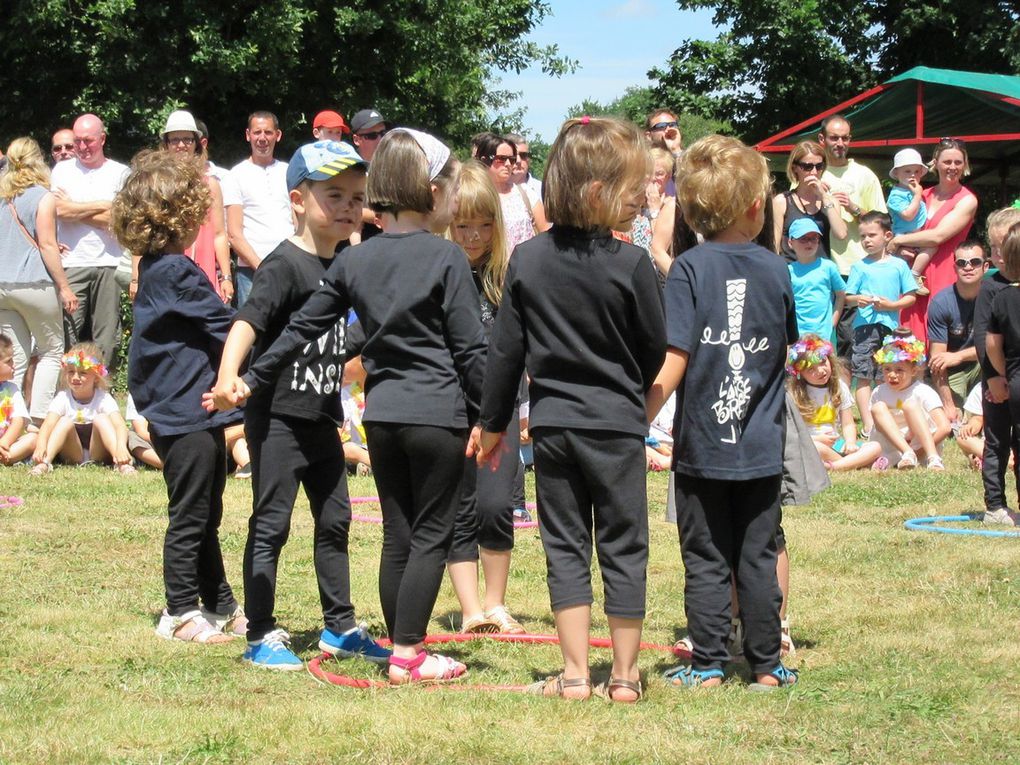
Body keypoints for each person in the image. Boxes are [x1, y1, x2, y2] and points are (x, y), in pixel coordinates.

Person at [221, 128, 483, 685]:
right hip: (438, 414)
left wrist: (250, 378)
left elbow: (297, 330)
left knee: (397, 533)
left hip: (381, 418)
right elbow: (470, 349)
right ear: (431, 192)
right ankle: (409, 654)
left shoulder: (352, 263)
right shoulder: (446, 258)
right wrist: (494, 415)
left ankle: (394, 643)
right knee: (433, 534)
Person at [476, 116, 665, 703]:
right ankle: (627, 677)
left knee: (565, 546)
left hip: (553, 427)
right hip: (616, 424)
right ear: (596, 190)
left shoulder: (527, 261)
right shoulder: (632, 263)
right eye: (632, 186)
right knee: (624, 541)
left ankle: (577, 674)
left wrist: (491, 425)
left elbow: (504, 353)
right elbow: (654, 346)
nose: (639, 197)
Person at [208, 140, 389, 670]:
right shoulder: (282, 265)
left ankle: (341, 627)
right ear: (297, 199)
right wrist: (228, 377)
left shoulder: (350, 265)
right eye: (333, 194)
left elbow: (346, 337)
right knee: (273, 523)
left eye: (357, 196)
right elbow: (248, 322)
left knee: (335, 521)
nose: (348, 206)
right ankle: (260, 635)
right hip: (278, 417)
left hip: (323, 417)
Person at [645, 134, 799, 692]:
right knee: (757, 555)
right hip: (760, 450)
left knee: (707, 558)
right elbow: (784, 348)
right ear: (758, 207)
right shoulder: (776, 270)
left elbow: (676, 355)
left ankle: (708, 664)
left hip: (703, 450)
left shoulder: (687, 268)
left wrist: (641, 413)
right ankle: (766, 667)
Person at [115, 150, 246, 644]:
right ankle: (180, 611)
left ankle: (220, 604)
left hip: (196, 409)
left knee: (207, 513)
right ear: (179, 215)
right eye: (198, 213)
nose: (202, 221)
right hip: (184, 412)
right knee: (191, 514)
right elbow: (227, 324)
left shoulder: (157, 267)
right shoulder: (173, 270)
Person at [445, 161, 524, 636]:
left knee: (495, 504)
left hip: (502, 407)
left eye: (482, 224)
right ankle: (470, 608)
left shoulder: (508, 277)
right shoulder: (439, 270)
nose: (472, 236)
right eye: (462, 225)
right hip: (451, 405)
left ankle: (496, 603)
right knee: (460, 505)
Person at [0, 137, 79, 423]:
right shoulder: (43, 196)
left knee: (15, 357)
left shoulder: (2, 195)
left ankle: (9, 420)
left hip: (2, 286)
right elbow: (46, 244)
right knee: (51, 349)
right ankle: (39, 419)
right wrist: (65, 287)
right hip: (34, 284)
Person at [51, 114, 129, 367]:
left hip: (110, 262)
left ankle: (100, 390)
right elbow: (58, 211)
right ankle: (70, 391)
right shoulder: (62, 170)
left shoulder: (120, 172)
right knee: (68, 331)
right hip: (72, 261)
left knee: (106, 336)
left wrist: (74, 208)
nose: (82, 147)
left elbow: (119, 220)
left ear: (102, 139)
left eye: (88, 140)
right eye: (77, 141)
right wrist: (100, 205)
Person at [892, 138, 978, 343]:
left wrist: (898, 241)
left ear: (965, 165)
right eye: (947, 162)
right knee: (909, 343)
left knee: (939, 341)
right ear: (935, 163)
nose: (953, 167)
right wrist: (898, 246)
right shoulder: (922, 194)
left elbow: (938, 236)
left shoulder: (967, 199)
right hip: (912, 276)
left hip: (944, 274)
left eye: (958, 162)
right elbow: (898, 222)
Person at [818, 115, 887, 359]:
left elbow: (882, 221)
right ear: (822, 139)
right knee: (818, 337)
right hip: (818, 264)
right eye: (834, 137)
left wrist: (855, 208)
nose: (840, 143)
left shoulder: (864, 175)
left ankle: (849, 394)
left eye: (845, 138)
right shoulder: (813, 172)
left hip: (853, 266)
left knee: (851, 339)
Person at [845, 211, 917, 435]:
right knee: (863, 374)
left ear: (887, 236)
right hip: (864, 328)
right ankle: (868, 423)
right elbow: (847, 298)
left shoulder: (898, 266)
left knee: (885, 374)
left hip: (891, 328)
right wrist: (859, 299)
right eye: (863, 236)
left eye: (872, 235)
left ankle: (885, 418)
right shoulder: (859, 267)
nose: (866, 240)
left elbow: (911, 296)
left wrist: (892, 306)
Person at [973, 207, 1020, 526]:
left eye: (1002, 245)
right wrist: (993, 379)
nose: (997, 253)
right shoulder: (991, 287)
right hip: (999, 378)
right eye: (992, 247)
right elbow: (983, 338)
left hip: (1013, 377)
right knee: (997, 441)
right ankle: (995, 503)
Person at [156, 111, 233, 303]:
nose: (181, 145)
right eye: (175, 140)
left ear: (196, 144)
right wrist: (136, 275)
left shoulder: (210, 184)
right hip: (165, 272)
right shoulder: (157, 183)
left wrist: (226, 276)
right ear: (166, 145)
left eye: (187, 139)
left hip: (203, 271)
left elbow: (219, 234)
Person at [30, 342, 133, 476]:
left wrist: (121, 447)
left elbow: (119, 425)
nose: (75, 377)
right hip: (73, 452)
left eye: (83, 373)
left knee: (102, 419)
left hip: (98, 452)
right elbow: (48, 425)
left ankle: (121, 463)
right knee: (64, 421)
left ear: (96, 377)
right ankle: (44, 462)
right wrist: (41, 445)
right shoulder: (63, 397)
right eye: (71, 372)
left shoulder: (103, 398)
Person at [223, 111, 294, 306]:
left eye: (268, 132)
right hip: (251, 272)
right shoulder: (235, 175)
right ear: (248, 135)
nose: (262, 138)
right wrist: (262, 267)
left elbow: (298, 221)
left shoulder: (289, 172)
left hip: (289, 267)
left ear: (277, 136)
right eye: (257, 132)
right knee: (255, 332)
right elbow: (234, 234)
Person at [786, 335, 879, 471]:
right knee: (814, 449)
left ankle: (836, 465)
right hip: (810, 444)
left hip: (835, 445)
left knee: (875, 446)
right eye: (811, 369)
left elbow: (847, 424)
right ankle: (851, 464)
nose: (820, 371)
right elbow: (792, 432)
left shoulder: (839, 387)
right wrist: (817, 439)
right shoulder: (794, 394)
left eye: (823, 362)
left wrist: (850, 443)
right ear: (800, 374)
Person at [868, 332, 949, 471]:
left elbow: (945, 427)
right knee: (878, 408)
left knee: (910, 405)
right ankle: (905, 453)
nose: (892, 375)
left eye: (899, 370)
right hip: (891, 447)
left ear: (913, 370)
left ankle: (932, 457)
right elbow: (878, 426)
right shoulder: (879, 392)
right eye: (887, 369)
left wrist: (920, 451)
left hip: (919, 447)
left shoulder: (923, 391)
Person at [926, 241, 985, 423]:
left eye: (975, 262)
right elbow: (937, 361)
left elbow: (1004, 347)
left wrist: (959, 356)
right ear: (954, 267)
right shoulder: (941, 302)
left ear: (986, 266)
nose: (968, 267)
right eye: (961, 263)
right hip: (952, 372)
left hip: (984, 363)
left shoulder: (996, 298)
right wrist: (948, 406)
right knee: (953, 419)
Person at [773, 140, 847, 263]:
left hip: (820, 274)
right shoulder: (782, 201)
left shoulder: (830, 201)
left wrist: (824, 196)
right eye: (807, 167)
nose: (814, 172)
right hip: (791, 271)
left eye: (819, 166)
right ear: (795, 168)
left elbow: (841, 234)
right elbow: (775, 243)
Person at [475, 133, 550, 254]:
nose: (509, 164)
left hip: (525, 267)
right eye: (501, 159)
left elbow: (546, 235)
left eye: (512, 159)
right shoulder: (476, 196)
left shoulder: (526, 194)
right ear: (485, 160)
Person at [786, 218, 846, 340]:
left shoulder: (828, 267)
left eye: (814, 239)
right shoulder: (787, 271)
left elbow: (841, 294)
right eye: (803, 239)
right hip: (797, 335)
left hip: (824, 334)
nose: (809, 243)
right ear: (790, 243)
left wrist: (833, 322)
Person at [886, 148, 933, 295]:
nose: (912, 175)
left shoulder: (915, 192)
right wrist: (918, 195)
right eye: (907, 171)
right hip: (903, 235)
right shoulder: (896, 195)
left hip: (916, 235)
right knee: (902, 258)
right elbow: (908, 215)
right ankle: (909, 278)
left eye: (916, 171)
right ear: (897, 174)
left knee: (932, 246)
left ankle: (914, 274)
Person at [0, 333, 37, 465]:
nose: (14, 365)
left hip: (8, 443)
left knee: (33, 439)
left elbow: (19, 421)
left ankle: (3, 455)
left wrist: (4, 442)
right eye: (8, 361)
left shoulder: (11, 389)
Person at [124, 394, 163, 469]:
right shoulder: (136, 393)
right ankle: (164, 464)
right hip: (152, 439)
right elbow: (141, 431)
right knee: (132, 437)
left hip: (174, 436)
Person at [955, 383, 986, 470]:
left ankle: (985, 459)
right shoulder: (981, 388)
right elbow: (978, 418)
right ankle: (984, 458)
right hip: (987, 444)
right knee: (963, 438)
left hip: (1012, 443)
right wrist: (970, 427)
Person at [508, 133, 542, 200]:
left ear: (529, 159)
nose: (518, 161)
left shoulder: (543, 189)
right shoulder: (494, 191)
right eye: (513, 156)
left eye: (523, 155)